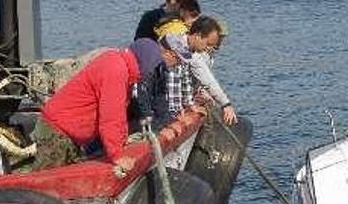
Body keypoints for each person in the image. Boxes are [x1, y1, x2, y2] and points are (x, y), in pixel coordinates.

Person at [30, 38, 179, 172]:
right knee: (41, 187)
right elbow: (111, 117)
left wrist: (121, 145)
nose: (152, 73)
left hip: (69, 133)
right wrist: (117, 155)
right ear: (145, 62)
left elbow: (119, 115)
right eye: (153, 66)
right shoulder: (116, 70)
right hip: (57, 130)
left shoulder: (121, 69)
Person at [162, 16, 236, 125]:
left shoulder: (189, 51)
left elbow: (185, 79)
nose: (208, 48)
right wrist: (177, 113)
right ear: (198, 36)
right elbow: (174, 81)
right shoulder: (178, 50)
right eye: (207, 44)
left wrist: (190, 104)